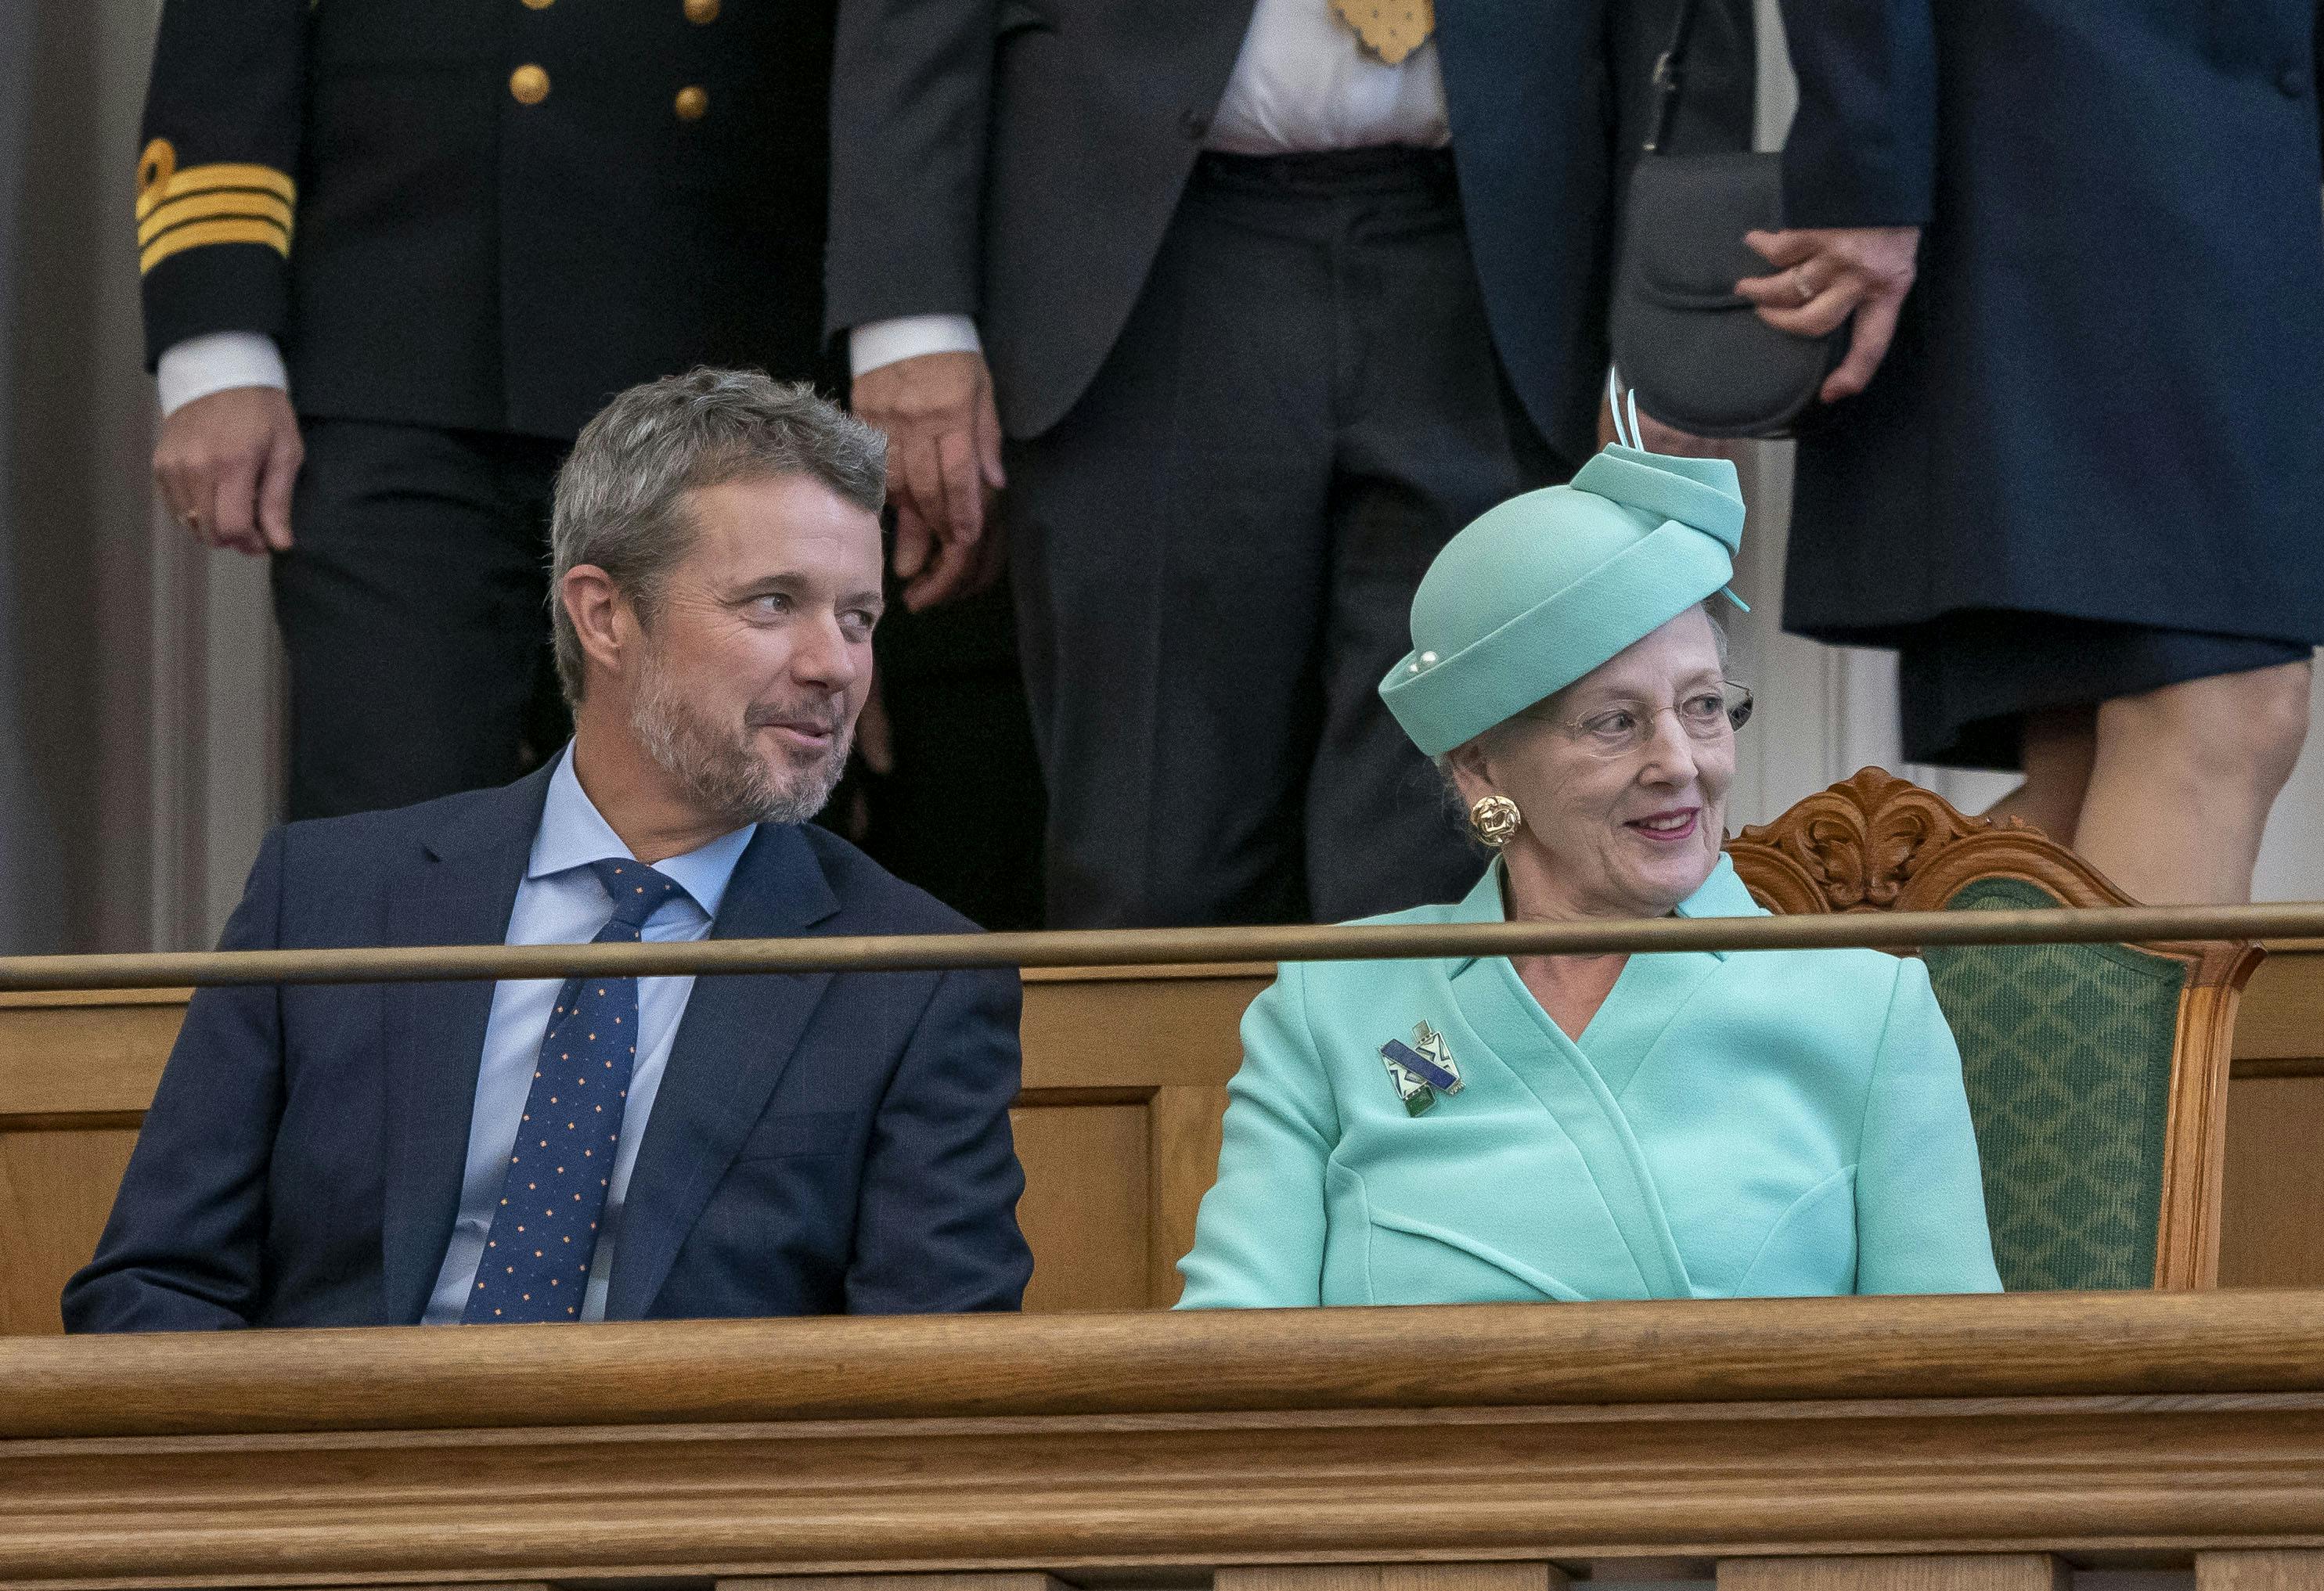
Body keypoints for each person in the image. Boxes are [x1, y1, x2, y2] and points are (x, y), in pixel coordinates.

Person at [65, 373, 1031, 1330]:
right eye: (774, 602)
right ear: (604, 614)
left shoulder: (915, 973)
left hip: (695, 1479)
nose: (834, 664)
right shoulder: (323, 897)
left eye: (857, 617)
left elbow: (930, 1385)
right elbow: (155, 1287)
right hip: (340, 1470)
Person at [825, 0, 1755, 929]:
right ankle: (1190, 1081)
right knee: (1154, 851)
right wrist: (913, 310)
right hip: (1142, 260)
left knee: (1452, 829)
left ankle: (1411, 1080)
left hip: (1502, 264)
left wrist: (1680, 318)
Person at [1176, 431, 2001, 1307]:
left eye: (1703, 706)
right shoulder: (1336, 1001)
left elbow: (1951, 1381)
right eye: (1613, 722)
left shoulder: (1866, 1013)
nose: (1679, 761)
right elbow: (1227, 1348)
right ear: (1481, 765)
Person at [137, 0, 838, 820]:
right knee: (393, 829)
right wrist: (219, 344)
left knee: (711, 836)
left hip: (716, 355)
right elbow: (226, 44)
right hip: (407, 363)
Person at [1733, 0, 2324, 905]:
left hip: (2214, 151)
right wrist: (1864, 171)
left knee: (2086, 746)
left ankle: (1794, 1031)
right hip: (2063, 138)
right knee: (2216, 709)